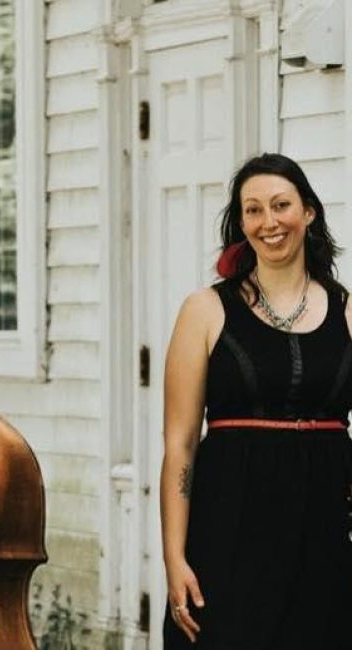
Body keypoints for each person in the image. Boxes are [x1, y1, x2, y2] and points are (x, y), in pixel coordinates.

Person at [160, 153, 352, 649]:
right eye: (252, 210)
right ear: (241, 221)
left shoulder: (348, 309)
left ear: (308, 212)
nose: (269, 222)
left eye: (281, 205)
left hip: (325, 531)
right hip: (229, 527)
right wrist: (174, 558)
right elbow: (179, 446)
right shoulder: (204, 310)